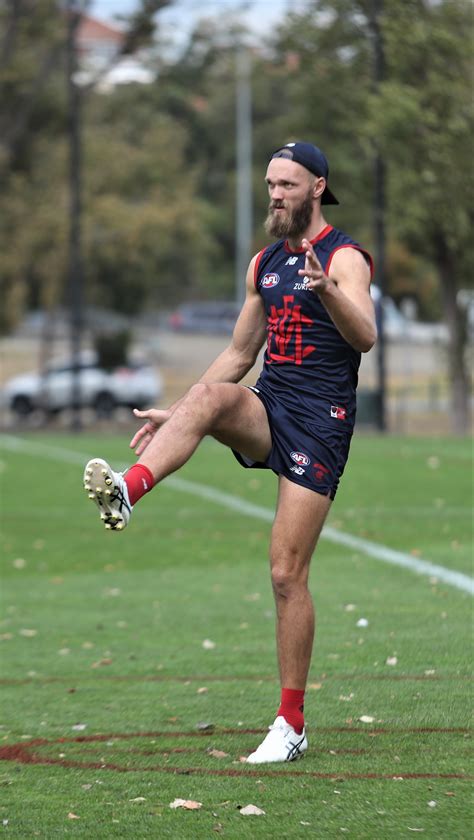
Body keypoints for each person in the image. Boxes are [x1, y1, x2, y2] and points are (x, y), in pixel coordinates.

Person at [83, 141, 376, 764]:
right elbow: (241, 355)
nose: (275, 194)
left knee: (285, 573)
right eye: (270, 184)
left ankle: (291, 725)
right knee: (213, 394)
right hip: (270, 407)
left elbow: (367, 337)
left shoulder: (345, 258)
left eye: (288, 185)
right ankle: (129, 490)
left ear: (318, 187)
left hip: (321, 425)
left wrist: (326, 290)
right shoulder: (264, 264)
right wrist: (182, 411)